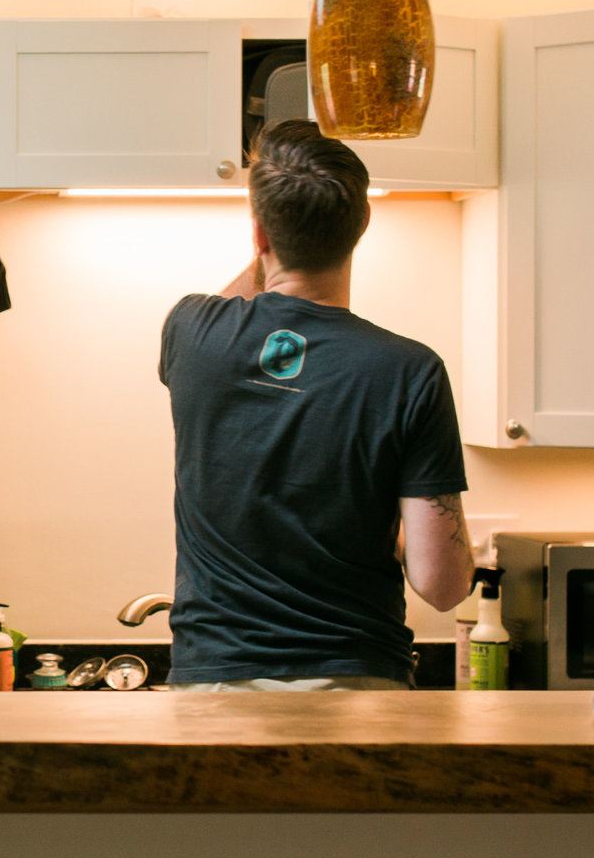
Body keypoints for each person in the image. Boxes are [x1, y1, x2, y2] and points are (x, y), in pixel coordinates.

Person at [157, 119, 473, 689]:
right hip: (358, 688)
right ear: (363, 225)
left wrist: (272, 233)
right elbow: (442, 585)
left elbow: (248, 293)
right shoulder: (409, 369)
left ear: (258, 234)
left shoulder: (193, 331)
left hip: (215, 686)